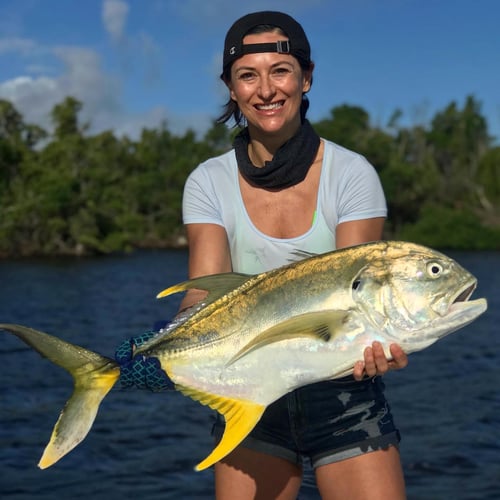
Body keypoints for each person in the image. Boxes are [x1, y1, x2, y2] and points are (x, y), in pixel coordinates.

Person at [179, 11, 409, 499]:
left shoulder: (351, 174)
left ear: (306, 77)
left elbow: (357, 297)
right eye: (248, 75)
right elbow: (202, 290)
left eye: (280, 70)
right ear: (231, 87)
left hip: (343, 391)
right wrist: (169, 350)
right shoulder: (208, 181)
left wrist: (379, 338)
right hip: (246, 389)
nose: (266, 89)